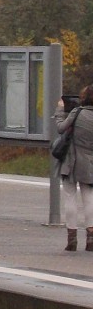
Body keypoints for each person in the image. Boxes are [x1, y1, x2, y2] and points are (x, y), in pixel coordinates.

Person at [54, 86, 93, 251]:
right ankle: (91, 238)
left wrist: (60, 111)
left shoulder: (76, 113)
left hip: (70, 161)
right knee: (89, 197)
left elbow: (61, 128)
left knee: (70, 197)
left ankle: (72, 238)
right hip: (90, 163)